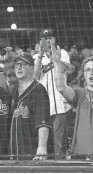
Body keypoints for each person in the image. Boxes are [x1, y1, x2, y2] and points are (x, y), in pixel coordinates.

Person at [33, 29, 71, 158]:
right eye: (44, 37)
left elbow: (62, 68)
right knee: (43, 141)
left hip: (60, 103)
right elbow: (35, 76)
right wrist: (40, 54)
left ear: (54, 39)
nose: (47, 40)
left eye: (50, 37)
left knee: (59, 143)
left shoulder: (62, 53)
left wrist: (51, 56)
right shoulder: (36, 57)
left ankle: (60, 168)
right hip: (43, 104)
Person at [10, 52, 51, 160]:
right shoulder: (14, 90)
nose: (19, 67)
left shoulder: (38, 90)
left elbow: (43, 122)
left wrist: (42, 147)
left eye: (23, 64)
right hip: (16, 153)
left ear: (32, 68)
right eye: (16, 65)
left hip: (32, 152)